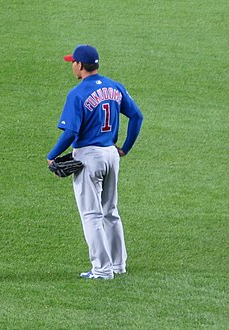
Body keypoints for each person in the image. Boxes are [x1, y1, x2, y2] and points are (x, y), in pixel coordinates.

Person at [47, 44, 143, 279]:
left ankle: (101, 270)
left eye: (73, 62)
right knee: (110, 211)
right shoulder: (115, 87)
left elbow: (70, 133)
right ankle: (118, 265)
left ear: (80, 65)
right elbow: (137, 116)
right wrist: (125, 149)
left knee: (91, 215)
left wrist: (51, 156)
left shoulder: (77, 93)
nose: (72, 66)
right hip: (111, 154)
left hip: (89, 157)